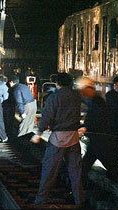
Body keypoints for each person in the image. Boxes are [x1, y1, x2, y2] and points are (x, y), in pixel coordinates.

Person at [31, 73, 84, 206]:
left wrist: (39, 132)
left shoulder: (54, 97)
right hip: (73, 136)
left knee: (49, 170)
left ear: (58, 83)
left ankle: (41, 200)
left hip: (58, 138)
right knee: (75, 171)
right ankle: (79, 200)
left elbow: (47, 116)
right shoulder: (77, 96)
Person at [79, 77, 118, 187]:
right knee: (87, 164)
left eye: (85, 89)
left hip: (101, 139)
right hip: (98, 139)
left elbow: (97, 118)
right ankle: (77, 188)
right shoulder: (97, 100)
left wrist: (86, 127)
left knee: (111, 165)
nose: (82, 92)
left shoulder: (97, 101)